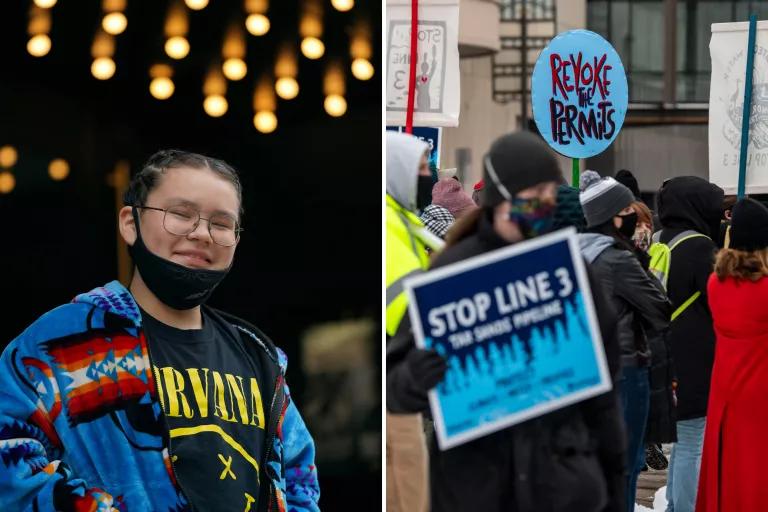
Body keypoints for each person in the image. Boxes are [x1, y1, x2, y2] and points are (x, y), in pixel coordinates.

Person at [0, 150, 320, 511]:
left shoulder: (258, 356)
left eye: (221, 223)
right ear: (130, 223)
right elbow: (8, 460)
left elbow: (299, 480)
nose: (201, 233)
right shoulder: (60, 341)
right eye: (181, 215)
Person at [393, 132, 627, 512]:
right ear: (500, 200)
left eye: (549, 198)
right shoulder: (450, 274)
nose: (542, 209)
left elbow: (604, 396)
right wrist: (415, 376)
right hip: (475, 488)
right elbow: (395, 387)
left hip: (562, 486)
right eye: (531, 199)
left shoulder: (568, 273)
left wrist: (615, 487)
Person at [577, 171, 671, 512]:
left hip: (590, 370)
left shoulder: (580, 251)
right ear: (614, 217)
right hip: (627, 368)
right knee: (627, 464)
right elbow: (660, 308)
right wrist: (641, 258)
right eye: (627, 210)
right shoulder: (619, 259)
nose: (635, 215)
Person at [655, 176, 724, 512]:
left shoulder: (657, 240)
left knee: (682, 442)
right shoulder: (700, 247)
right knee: (693, 442)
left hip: (663, 353)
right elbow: (720, 301)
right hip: (694, 359)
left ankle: (673, 505)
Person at [385, 131, 445, 512]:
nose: (429, 177)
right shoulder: (392, 227)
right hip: (397, 392)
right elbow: (404, 306)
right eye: (421, 167)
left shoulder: (407, 223)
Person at [696, 198, 768, 511]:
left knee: (725, 469)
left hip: (724, 391)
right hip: (760, 394)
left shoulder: (715, 283)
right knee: (755, 473)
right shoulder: (765, 289)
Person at [631, 201, 676, 471]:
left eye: (647, 223)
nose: (644, 230)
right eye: (638, 224)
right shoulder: (614, 260)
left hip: (650, 347)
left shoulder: (657, 251)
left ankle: (649, 444)